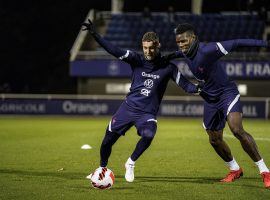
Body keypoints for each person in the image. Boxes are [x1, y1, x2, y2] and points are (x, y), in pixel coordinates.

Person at [81, 19, 200, 182]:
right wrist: (95, 34)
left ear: (158, 45)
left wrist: (201, 88)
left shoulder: (168, 67)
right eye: (145, 48)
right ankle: (102, 168)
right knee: (107, 141)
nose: (148, 51)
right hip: (127, 108)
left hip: (146, 113)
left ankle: (130, 163)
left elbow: (187, 86)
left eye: (151, 47)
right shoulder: (136, 60)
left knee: (149, 134)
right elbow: (114, 50)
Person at [166, 23, 270, 188]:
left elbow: (237, 42)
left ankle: (265, 171)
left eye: (184, 41)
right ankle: (235, 169)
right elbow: (176, 54)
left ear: (193, 38)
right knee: (214, 139)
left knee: (236, 129)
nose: (181, 45)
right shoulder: (185, 52)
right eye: (178, 42)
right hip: (209, 97)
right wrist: (163, 57)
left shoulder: (208, 50)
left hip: (226, 93)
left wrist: (265, 44)